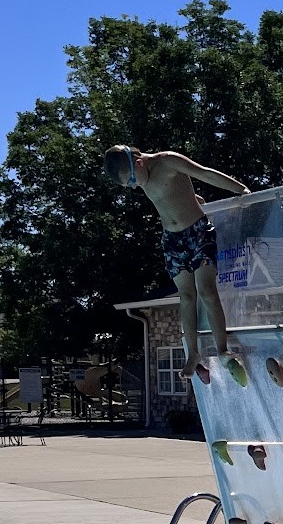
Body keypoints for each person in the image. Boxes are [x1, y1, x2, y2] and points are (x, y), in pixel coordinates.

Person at [103, 144, 250, 374]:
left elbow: (205, 173)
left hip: (198, 234)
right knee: (186, 297)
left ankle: (223, 350)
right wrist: (194, 198)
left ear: (138, 162)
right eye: (128, 185)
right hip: (172, 241)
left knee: (207, 291)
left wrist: (242, 190)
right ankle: (193, 353)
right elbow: (171, 195)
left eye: (131, 180)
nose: (133, 186)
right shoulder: (143, 177)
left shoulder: (168, 161)